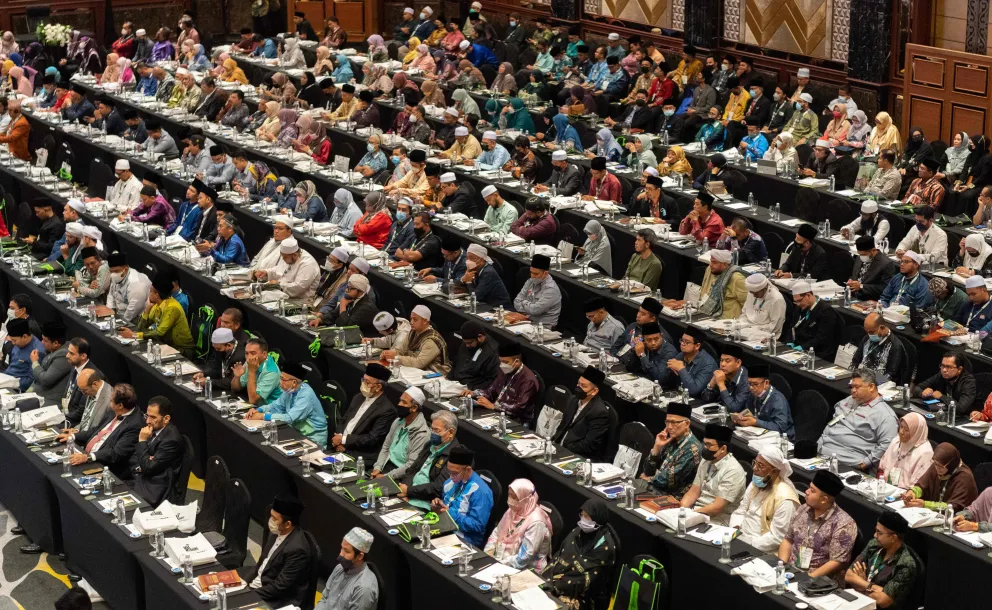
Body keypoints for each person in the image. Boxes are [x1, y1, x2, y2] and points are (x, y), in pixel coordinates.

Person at [242, 495, 315, 608]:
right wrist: (242, 583)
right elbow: (260, 564)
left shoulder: (298, 549)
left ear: (287, 524)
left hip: (275, 598)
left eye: (274, 518)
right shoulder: (277, 532)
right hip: (258, 584)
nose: (270, 521)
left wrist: (248, 595)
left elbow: (279, 587)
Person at [819, 369, 898, 470]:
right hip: (821, 450)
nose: (853, 390)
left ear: (871, 387)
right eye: (852, 387)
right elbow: (834, 419)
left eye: (857, 387)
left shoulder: (886, 415)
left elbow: (887, 444)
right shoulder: (849, 400)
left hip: (847, 462)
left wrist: (866, 463)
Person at [546, 500, 617, 610]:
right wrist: (548, 579)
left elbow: (588, 579)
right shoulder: (577, 532)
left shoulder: (605, 547)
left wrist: (556, 585)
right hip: (560, 582)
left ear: (597, 518)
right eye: (582, 515)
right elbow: (559, 555)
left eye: (587, 516)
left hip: (584, 595)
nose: (583, 519)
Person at [730, 447, 800, 551]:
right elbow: (741, 511)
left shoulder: (785, 499)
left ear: (774, 471)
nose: (754, 468)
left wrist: (748, 546)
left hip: (761, 548)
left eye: (761, 466)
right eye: (755, 462)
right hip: (739, 537)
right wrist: (734, 530)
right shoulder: (756, 482)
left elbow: (777, 537)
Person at [247, 360, 327, 449]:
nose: (280, 382)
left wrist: (263, 416)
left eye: (283, 379)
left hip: (313, 439)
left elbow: (289, 418)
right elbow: (275, 406)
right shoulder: (289, 390)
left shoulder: (306, 396)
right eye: (280, 378)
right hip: (296, 431)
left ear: (294, 382)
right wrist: (259, 410)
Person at [69, 384, 144, 479]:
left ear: (120, 405)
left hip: (104, 467)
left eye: (111, 401)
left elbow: (116, 453)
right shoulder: (114, 410)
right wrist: (73, 436)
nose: (109, 403)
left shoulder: (136, 425)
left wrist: (88, 457)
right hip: (86, 456)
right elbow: (96, 430)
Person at [679, 424, 746, 523]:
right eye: (704, 444)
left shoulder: (733, 471)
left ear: (723, 448)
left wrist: (691, 515)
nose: (705, 448)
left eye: (709, 445)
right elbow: (693, 492)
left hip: (717, 520)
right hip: (696, 512)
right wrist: (682, 511)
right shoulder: (706, 460)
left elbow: (717, 507)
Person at [485, 479, 553, 571]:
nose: (510, 499)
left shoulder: (536, 522)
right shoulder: (513, 510)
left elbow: (524, 557)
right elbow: (496, 533)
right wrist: (488, 554)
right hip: (501, 560)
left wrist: (499, 564)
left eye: (514, 497)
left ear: (526, 498)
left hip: (526, 570)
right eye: (509, 495)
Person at [464, 341, 539, 423]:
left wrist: (494, 407)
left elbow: (519, 408)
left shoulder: (528, 380)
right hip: (496, 412)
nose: (502, 365)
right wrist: (474, 394)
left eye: (505, 362)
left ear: (516, 362)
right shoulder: (504, 370)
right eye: (501, 361)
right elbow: (491, 391)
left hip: (517, 420)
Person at [330, 363, 395, 458]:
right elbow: (343, 420)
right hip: (339, 446)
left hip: (358, 454)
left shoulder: (387, 410)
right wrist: (339, 438)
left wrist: (343, 440)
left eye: (367, 382)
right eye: (363, 380)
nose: (363, 384)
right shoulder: (358, 397)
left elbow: (372, 439)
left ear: (378, 387)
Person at [129, 396, 184, 507]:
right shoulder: (152, 429)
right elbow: (134, 457)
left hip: (155, 489)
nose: (148, 421)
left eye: (153, 417)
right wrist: (142, 465)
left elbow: (149, 468)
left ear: (166, 419)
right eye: (147, 416)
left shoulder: (171, 440)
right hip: (140, 478)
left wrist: (142, 441)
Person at [435, 446, 493, 547]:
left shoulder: (481, 492)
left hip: (465, 539)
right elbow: (446, 504)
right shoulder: (450, 482)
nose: (451, 476)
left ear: (467, 470)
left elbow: (477, 526)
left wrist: (449, 513)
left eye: (455, 473)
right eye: (449, 472)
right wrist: (438, 506)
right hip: (444, 528)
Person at [119, 276, 194, 355]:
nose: (148, 294)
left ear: (157, 295)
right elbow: (140, 329)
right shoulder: (157, 305)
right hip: (166, 345)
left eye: (150, 291)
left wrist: (134, 335)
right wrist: (147, 310)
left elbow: (159, 333)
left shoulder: (172, 308)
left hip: (183, 349)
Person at [401, 410, 461, 509]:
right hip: (408, 493)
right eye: (431, 429)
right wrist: (405, 490)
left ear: (450, 432)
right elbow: (412, 470)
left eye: (436, 430)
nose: (432, 433)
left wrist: (409, 491)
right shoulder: (429, 445)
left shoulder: (455, 456)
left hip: (427, 502)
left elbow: (438, 487)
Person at [641, 403, 702, 500]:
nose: (669, 427)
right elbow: (647, 471)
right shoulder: (670, 439)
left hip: (672, 498)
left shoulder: (692, 449)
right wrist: (656, 448)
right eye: (667, 422)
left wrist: (648, 479)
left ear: (687, 424)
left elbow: (668, 481)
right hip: (655, 489)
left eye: (674, 422)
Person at [554, 366, 611, 461]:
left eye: (583, 386)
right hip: (560, 448)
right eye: (578, 384)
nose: (578, 388)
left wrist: (564, 448)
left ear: (594, 391)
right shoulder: (572, 400)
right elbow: (563, 426)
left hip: (579, 455)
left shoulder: (599, 412)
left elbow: (589, 445)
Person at [901, 442, 978, 512]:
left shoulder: (964, 478)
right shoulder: (937, 465)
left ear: (951, 464)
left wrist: (925, 505)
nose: (937, 469)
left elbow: (953, 506)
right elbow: (922, 485)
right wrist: (913, 493)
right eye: (935, 464)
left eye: (941, 466)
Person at [314, 527, 378, 610]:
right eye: (342, 548)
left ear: (360, 556)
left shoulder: (364, 589)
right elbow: (324, 598)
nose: (341, 554)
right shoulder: (339, 568)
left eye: (346, 551)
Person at [730, 364, 795, 438]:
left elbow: (779, 427)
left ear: (766, 383)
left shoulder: (778, 400)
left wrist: (755, 422)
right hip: (760, 433)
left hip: (782, 438)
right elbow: (749, 411)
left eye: (755, 384)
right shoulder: (753, 394)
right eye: (749, 383)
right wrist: (741, 416)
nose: (751, 388)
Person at [851, 313, 910, 385]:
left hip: (881, 385)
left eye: (871, 332)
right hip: (863, 379)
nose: (869, 335)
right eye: (867, 332)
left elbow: (890, 375)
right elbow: (855, 360)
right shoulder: (867, 339)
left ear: (881, 328)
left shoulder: (895, 346)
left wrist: (869, 382)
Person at [877, 412, 933, 488]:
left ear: (916, 432)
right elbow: (881, 469)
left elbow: (917, 487)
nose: (901, 432)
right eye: (901, 427)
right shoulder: (897, 441)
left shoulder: (925, 453)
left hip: (905, 494)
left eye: (906, 430)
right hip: (885, 485)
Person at [788, 280, 841, 359]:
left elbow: (821, 338)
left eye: (799, 301)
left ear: (808, 295)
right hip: (800, 345)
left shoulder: (826, 311)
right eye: (796, 302)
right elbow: (792, 326)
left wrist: (802, 347)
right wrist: (789, 341)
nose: (798, 304)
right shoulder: (800, 306)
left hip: (818, 351)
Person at [914, 351, 977, 415]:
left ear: (959, 369)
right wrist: (922, 393)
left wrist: (941, 397)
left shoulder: (968, 382)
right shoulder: (941, 375)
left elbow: (961, 408)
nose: (944, 370)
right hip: (943, 412)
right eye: (942, 366)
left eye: (949, 367)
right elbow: (917, 388)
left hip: (962, 418)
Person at [511, 254, 562, 327]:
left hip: (542, 327)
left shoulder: (551, 289)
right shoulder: (530, 281)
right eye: (531, 272)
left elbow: (535, 310)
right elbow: (516, 302)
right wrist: (529, 307)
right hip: (526, 321)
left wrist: (524, 302)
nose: (532, 276)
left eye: (535, 274)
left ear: (545, 273)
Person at [448, 320, 499, 390]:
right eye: (465, 343)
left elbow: (492, 382)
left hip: (471, 390)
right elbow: (456, 364)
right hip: (454, 384)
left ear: (480, 337)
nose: (467, 346)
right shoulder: (468, 343)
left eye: (469, 343)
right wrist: (448, 379)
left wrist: (471, 389)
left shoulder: (492, 353)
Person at [28, 322, 71, 405]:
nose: (42, 342)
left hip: (50, 400)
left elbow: (45, 380)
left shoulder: (64, 355)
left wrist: (35, 362)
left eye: (45, 340)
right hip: (38, 394)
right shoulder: (54, 350)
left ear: (56, 343)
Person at [697, 249, 747, 319]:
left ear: (724, 264)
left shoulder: (736, 278)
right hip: (707, 312)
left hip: (727, 319)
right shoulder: (710, 270)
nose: (711, 265)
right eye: (711, 261)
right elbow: (703, 291)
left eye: (714, 262)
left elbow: (746, 304)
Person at [231, 338, 282, 405]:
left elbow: (253, 400)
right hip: (255, 405)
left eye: (253, 353)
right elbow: (236, 389)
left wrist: (251, 372)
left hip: (271, 409)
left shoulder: (272, 372)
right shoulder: (251, 361)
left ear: (264, 354)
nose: (248, 357)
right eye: (246, 353)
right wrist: (236, 377)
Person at [668, 328, 717, 397]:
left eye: (687, 342)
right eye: (682, 340)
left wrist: (681, 369)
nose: (682, 344)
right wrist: (669, 368)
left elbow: (693, 391)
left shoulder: (708, 364)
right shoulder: (681, 355)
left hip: (698, 401)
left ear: (697, 346)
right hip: (679, 394)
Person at [105, 251, 151, 325]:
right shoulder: (116, 277)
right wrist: (109, 313)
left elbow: (134, 309)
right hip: (120, 314)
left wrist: (120, 323)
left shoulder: (135, 282)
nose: (113, 274)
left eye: (116, 271)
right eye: (111, 271)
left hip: (137, 318)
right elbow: (111, 295)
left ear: (125, 269)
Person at [701, 345, 749, 412]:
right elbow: (706, 399)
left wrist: (721, 385)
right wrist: (711, 384)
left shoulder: (746, 381)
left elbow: (734, 409)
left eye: (727, 361)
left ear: (738, 363)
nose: (723, 364)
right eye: (721, 360)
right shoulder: (722, 372)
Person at [461, 243, 511, 308]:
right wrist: (463, 279)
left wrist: (468, 282)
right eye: (467, 258)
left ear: (481, 260)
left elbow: (476, 296)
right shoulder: (472, 268)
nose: (468, 261)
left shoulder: (488, 273)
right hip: (485, 304)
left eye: (471, 258)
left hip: (500, 307)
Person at [848, 236, 897, 301]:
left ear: (873, 250)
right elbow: (855, 276)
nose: (861, 257)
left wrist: (861, 286)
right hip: (853, 297)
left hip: (871, 300)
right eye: (860, 254)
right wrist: (851, 281)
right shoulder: (859, 258)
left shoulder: (886, 264)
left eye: (864, 254)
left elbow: (886, 288)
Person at [3, 319, 43, 392]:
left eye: (14, 340)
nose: (13, 343)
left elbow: (31, 381)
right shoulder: (18, 342)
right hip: (5, 377)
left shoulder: (37, 352)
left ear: (24, 336)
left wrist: (10, 384)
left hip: (16, 387)